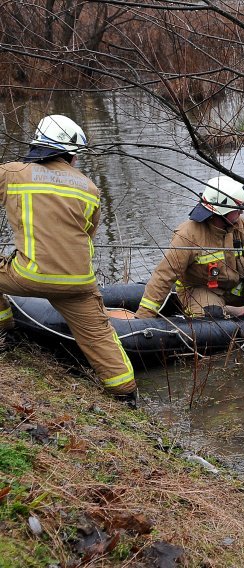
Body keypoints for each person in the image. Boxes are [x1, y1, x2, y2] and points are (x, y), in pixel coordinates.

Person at [0, 114, 137, 405]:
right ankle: (126, 393)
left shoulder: (12, 174)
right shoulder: (89, 188)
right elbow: (88, 233)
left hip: (27, 275)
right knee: (100, 336)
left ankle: (4, 333)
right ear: (71, 154)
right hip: (77, 282)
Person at [134, 175, 244, 321]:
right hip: (202, 290)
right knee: (212, 317)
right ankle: (227, 310)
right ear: (221, 211)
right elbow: (163, 276)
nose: (242, 212)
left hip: (236, 286)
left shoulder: (243, 227)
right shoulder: (188, 235)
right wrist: (143, 317)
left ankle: (236, 309)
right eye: (237, 209)